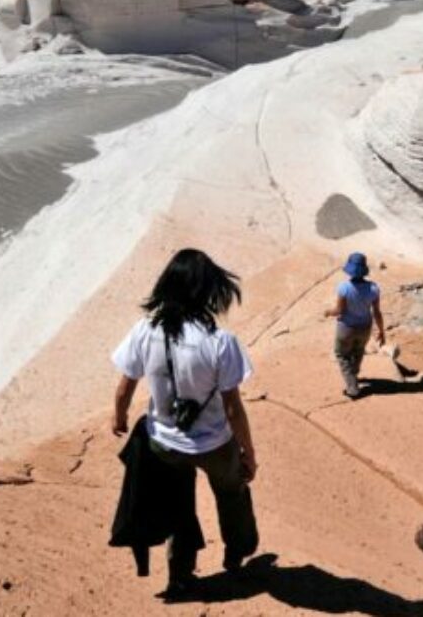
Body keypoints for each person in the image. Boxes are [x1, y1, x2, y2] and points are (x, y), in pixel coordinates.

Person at [110, 248, 259, 598]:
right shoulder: (220, 342)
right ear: (207, 290)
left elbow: (125, 385)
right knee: (232, 494)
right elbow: (233, 407)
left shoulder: (146, 330)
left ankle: (180, 574)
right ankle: (237, 552)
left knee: (179, 506)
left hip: (164, 444)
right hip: (215, 444)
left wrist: (119, 416)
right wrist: (248, 452)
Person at [324, 252, 386, 398]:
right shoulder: (374, 288)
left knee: (341, 355)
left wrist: (328, 312)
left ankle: (353, 388)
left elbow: (339, 310)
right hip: (365, 327)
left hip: (346, 328)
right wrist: (382, 331)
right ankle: (354, 375)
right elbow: (377, 312)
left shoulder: (344, 288)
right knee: (358, 352)